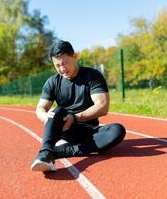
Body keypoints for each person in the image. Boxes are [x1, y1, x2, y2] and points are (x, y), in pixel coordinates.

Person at [30, 40, 126, 172]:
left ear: (74, 57)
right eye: (57, 65)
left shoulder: (92, 76)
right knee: (56, 111)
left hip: (88, 131)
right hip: (63, 130)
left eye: (64, 63)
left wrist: (74, 118)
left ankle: (60, 152)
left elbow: (102, 106)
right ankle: (45, 153)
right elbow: (40, 109)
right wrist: (45, 116)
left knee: (117, 130)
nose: (62, 69)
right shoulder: (52, 82)